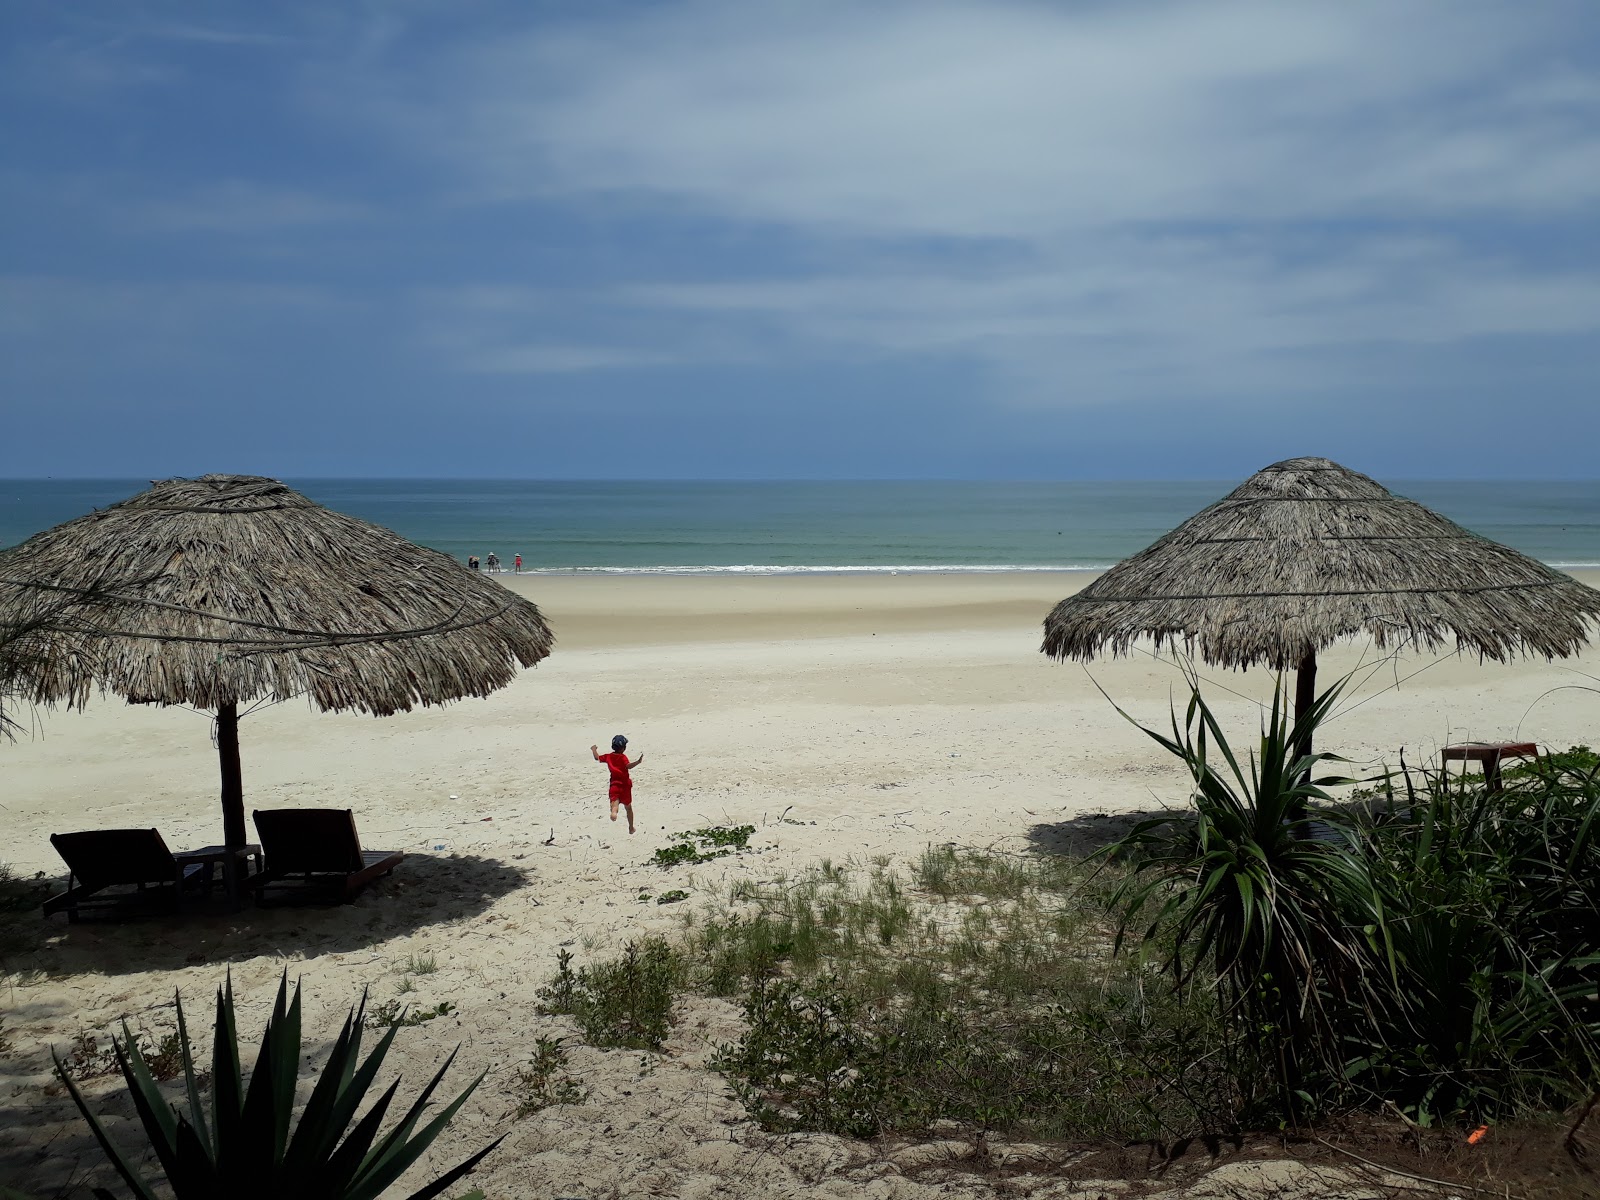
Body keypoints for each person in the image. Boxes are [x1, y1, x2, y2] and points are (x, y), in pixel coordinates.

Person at [591, 735, 644, 834]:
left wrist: (594, 749)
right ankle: (631, 827)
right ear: (624, 748)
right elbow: (628, 766)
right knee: (628, 808)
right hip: (625, 786)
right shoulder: (623, 757)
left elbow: (597, 757)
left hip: (614, 785)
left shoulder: (608, 756)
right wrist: (638, 762)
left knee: (614, 803)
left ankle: (614, 812)